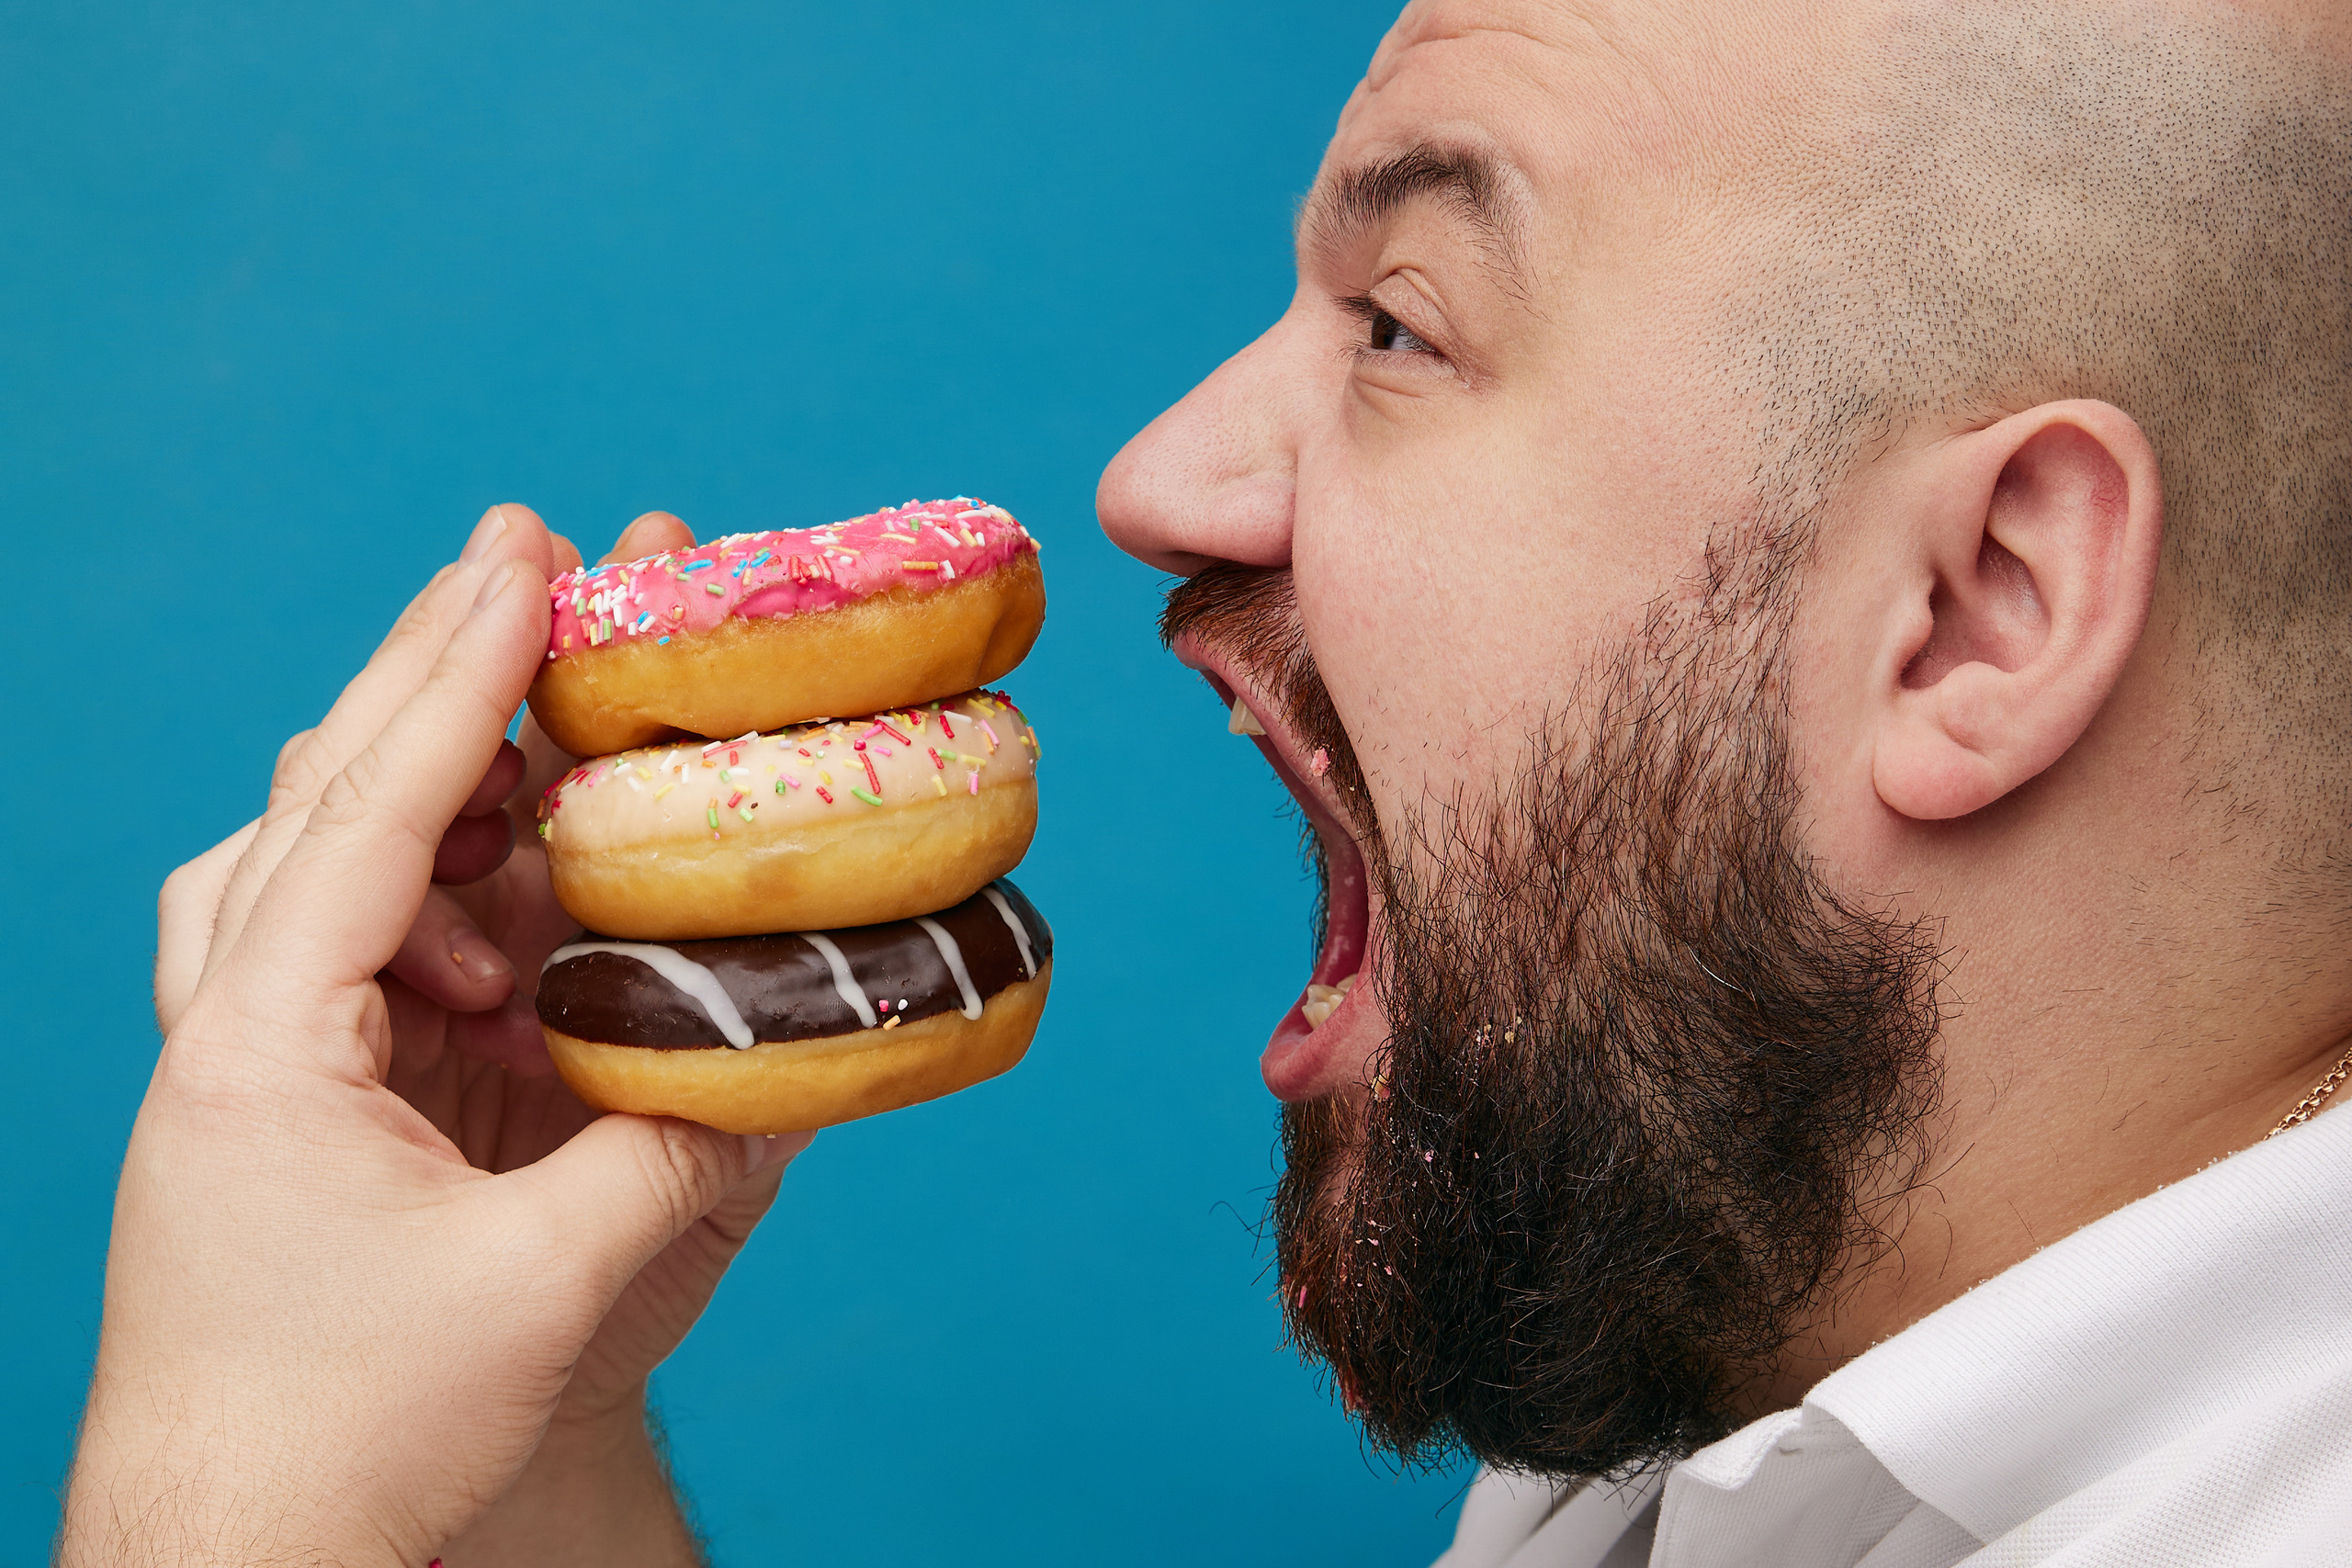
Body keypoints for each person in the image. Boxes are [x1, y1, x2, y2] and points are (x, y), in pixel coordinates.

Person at [57, 0, 2352, 1562]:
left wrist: (220, 1499)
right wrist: (518, 1449)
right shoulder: (1759, 1371)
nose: (1156, 478)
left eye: (1398, 325)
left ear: (1973, 605)